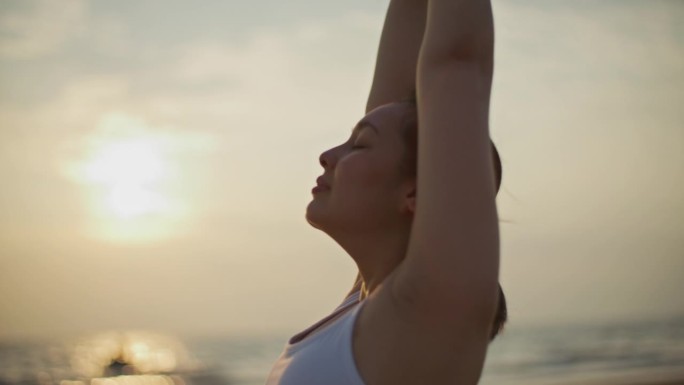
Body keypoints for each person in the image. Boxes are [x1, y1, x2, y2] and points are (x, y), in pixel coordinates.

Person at [266, 0, 504, 383]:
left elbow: (457, 64)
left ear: (416, 196)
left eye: (358, 145)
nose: (327, 156)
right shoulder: (364, 310)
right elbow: (396, 104)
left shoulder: (428, 307)